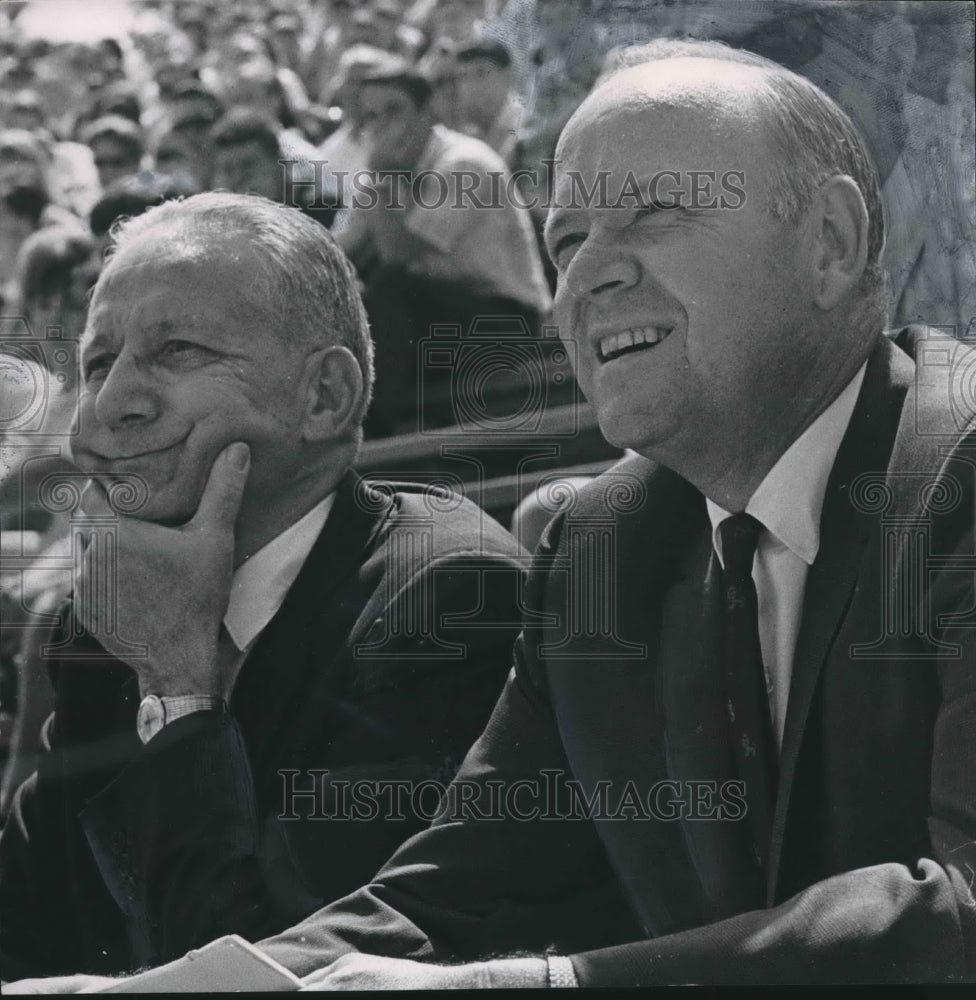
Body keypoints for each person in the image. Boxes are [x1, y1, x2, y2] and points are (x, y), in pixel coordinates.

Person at [203, 41, 969, 987]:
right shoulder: (599, 544)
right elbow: (457, 896)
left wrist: (540, 987)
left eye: (654, 213)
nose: (587, 277)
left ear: (830, 241)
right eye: (566, 242)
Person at [0, 193, 526, 982]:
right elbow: (27, 911)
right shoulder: (109, 608)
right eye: (99, 362)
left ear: (324, 397)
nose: (110, 406)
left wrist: (177, 683)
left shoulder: (448, 599)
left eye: (176, 351)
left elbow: (261, 969)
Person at [337, 64, 551, 434]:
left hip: (506, 320)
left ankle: (374, 430)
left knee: (388, 284)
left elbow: (399, 254)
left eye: (394, 110)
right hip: (440, 319)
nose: (382, 125)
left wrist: (382, 180)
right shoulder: (385, 171)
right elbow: (337, 247)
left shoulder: (465, 162)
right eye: (372, 115)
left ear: (426, 114)